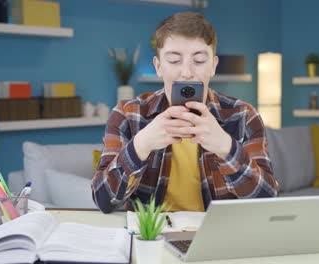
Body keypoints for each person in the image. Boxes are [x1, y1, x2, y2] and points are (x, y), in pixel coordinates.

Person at [91, 12, 279, 214]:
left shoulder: (243, 116)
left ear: (213, 66)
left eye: (198, 61)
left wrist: (226, 147)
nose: (187, 72)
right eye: (174, 60)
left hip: (218, 238)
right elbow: (103, 200)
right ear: (158, 66)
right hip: (151, 237)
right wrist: (141, 145)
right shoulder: (127, 115)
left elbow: (268, 199)